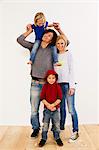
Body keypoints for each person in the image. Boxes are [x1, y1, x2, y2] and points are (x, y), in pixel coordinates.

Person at [17, 23, 64, 138]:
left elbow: (66, 42)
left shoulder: (53, 49)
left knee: (51, 108)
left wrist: (59, 30)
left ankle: (53, 130)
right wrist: (29, 30)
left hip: (49, 84)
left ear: (52, 40)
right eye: (46, 34)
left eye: (50, 36)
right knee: (34, 109)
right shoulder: (34, 46)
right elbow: (20, 40)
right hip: (35, 83)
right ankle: (36, 128)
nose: (46, 37)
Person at [54, 34, 79, 142]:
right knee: (61, 108)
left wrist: (72, 86)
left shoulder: (68, 54)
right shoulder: (55, 55)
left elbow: (72, 70)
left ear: (65, 44)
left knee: (71, 109)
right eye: (58, 43)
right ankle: (61, 127)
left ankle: (75, 131)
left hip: (68, 85)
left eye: (62, 43)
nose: (60, 45)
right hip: (58, 85)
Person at [39, 70, 63, 147]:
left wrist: (53, 105)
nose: (51, 79)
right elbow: (42, 98)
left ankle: (57, 138)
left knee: (56, 125)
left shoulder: (57, 86)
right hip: (47, 110)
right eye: (49, 78)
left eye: (53, 78)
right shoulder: (45, 87)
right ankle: (43, 138)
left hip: (55, 110)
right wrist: (48, 106)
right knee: (45, 125)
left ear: (56, 78)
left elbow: (60, 98)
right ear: (47, 78)